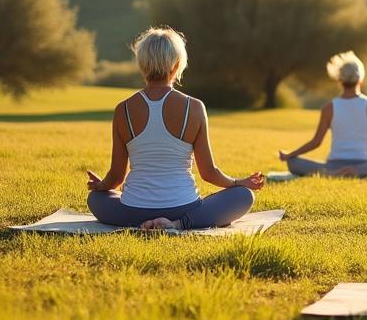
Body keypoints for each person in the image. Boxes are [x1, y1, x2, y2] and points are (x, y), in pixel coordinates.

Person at [86, 27, 264, 230]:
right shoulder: (194, 107)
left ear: (141, 64)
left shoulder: (123, 110)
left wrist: (101, 187)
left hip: (133, 210)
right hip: (183, 207)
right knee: (243, 195)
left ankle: (142, 223)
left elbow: (116, 176)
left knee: (96, 199)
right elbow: (208, 172)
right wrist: (239, 182)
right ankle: (179, 224)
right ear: (177, 64)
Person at [278, 51, 367, 177]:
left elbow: (316, 142)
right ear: (360, 79)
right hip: (366, 165)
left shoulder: (329, 107)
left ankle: (332, 174)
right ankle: (358, 172)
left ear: (339, 80)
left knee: (294, 163)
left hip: (333, 165)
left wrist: (290, 155)